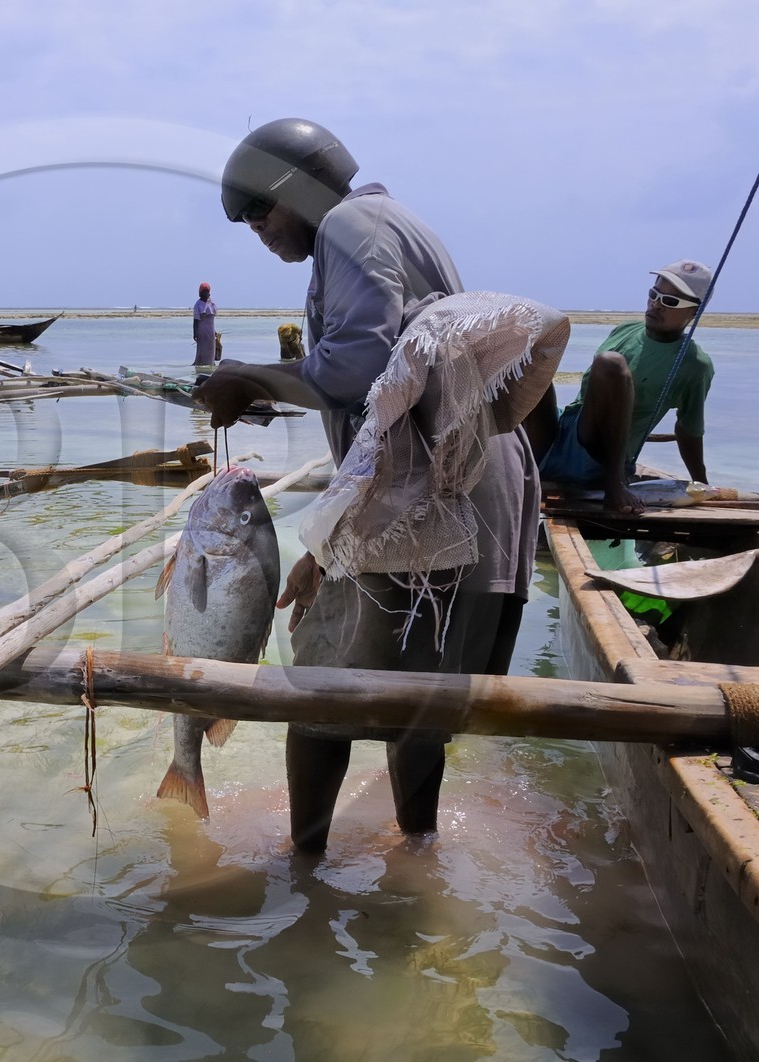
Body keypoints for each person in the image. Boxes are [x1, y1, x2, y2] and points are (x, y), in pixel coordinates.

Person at [195, 118, 542, 851]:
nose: (254, 227)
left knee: (320, 701)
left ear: (296, 190)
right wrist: (323, 549)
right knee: (418, 707)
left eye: (258, 208)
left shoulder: (351, 225)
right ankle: (418, 864)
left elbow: (359, 368)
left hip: (429, 506)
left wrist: (251, 377)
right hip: (461, 494)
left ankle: (304, 883)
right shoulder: (383, 225)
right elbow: (384, 404)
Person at [527, 260, 715, 513]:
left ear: (694, 313)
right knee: (526, 359)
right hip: (555, 439)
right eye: (654, 294)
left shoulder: (694, 364)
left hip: (596, 462)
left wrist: (701, 483)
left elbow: (688, 429)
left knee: (610, 364)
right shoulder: (625, 329)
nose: (656, 304)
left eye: (670, 302)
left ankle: (614, 486)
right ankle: (495, 458)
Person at [193, 282, 217, 365]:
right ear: (200, 293)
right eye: (204, 292)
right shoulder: (198, 304)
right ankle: (200, 365)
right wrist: (195, 333)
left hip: (211, 332)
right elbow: (195, 321)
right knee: (202, 350)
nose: (206, 293)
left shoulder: (212, 303)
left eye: (207, 291)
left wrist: (215, 331)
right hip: (202, 332)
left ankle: (210, 364)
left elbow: (212, 319)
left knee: (211, 350)